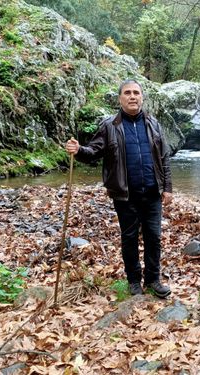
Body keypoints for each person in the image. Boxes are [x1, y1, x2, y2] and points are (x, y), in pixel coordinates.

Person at [65, 79, 173, 298]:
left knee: (154, 237)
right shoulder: (109, 126)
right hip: (125, 195)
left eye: (136, 93)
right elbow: (93, 152)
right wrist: (78, 150)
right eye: (127, 93)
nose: (132, 96)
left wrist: (167, 187)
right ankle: (134, 281)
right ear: (120, 98)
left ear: (142, 97)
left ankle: (153, 280)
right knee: (130, 237)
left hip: (153, 193)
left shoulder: (153, 124)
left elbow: (164, 157)